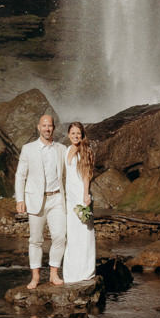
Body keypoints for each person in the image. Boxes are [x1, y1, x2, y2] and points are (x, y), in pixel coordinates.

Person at [14, 112, 68, 290]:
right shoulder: (28, 148)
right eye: (44, 125)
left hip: (57, 198)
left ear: (54, 127)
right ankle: (35, 277)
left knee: (60, 236)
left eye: (50, 125)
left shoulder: (61, 149)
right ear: (39, 127)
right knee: (36, 240)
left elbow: (69, 174)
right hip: (36, 199)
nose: (47, 128)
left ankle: (53, 273)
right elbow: (20, 175)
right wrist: (20, 199)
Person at [62, 121, 97, 283]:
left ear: (82, 136)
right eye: (73, 133)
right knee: (73, 234)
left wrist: (85, 195)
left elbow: (86, 175)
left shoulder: (86, 151)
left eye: (79, 134)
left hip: (80, 195)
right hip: (69, 197)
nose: (76, 136)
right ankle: (71, 272)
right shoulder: (67, 149)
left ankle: (86, 271)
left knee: (84, 233)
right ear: (68, 135)